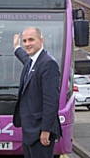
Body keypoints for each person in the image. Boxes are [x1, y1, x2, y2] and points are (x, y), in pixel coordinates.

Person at [12, 27, 62, 158]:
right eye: (24, 41)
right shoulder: (31, 61)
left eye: (31, 40)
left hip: (40, 132)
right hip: (29, 131)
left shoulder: (49, 64)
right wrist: (16, 47)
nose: (27, 44)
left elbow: (51, 101)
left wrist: (46, 130)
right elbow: (24, 56)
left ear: (41, 40)